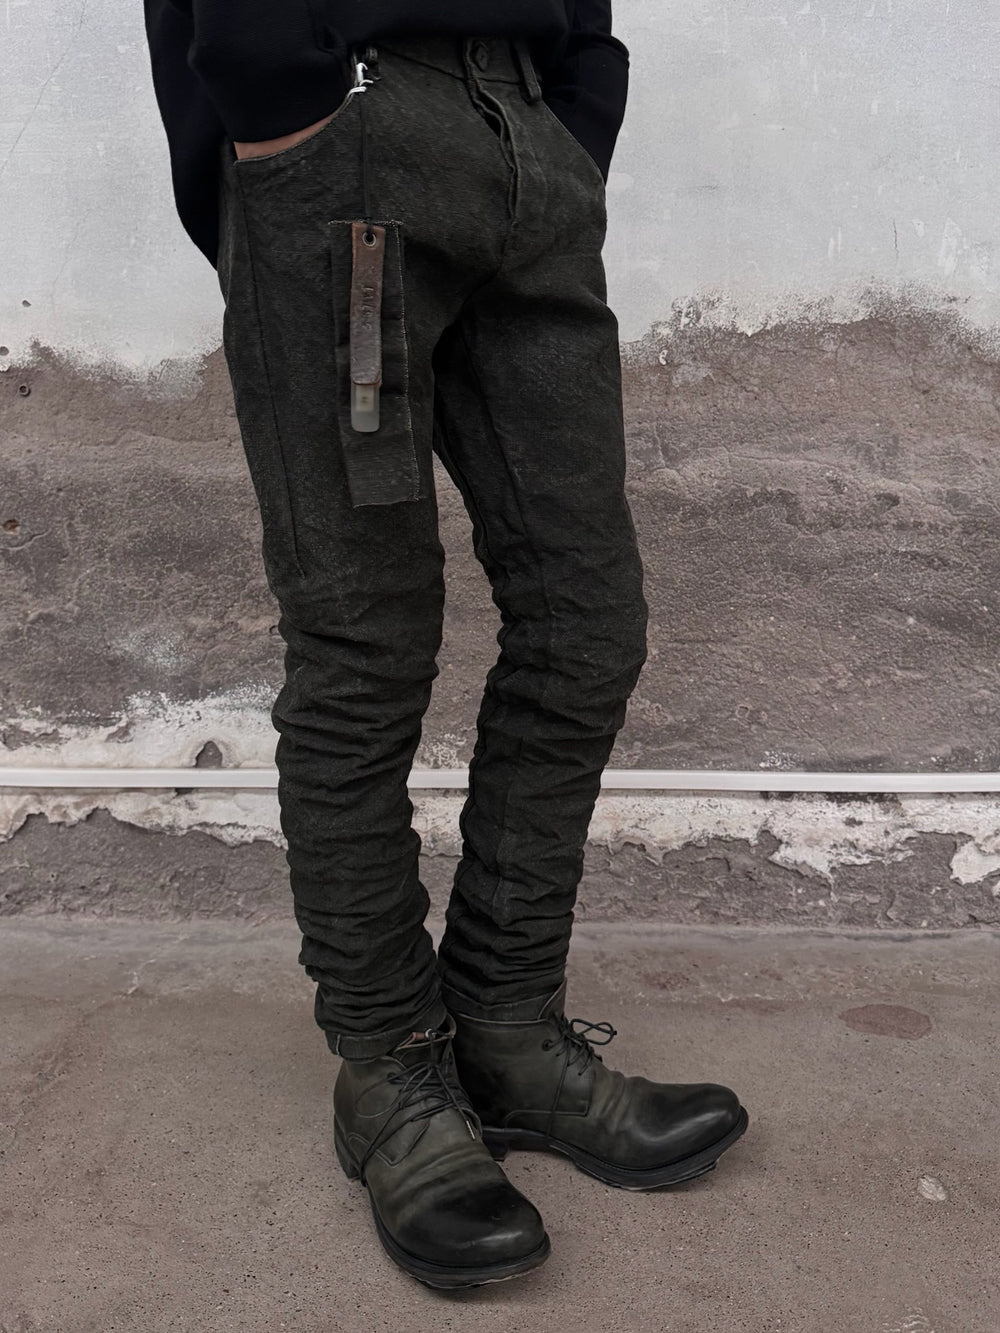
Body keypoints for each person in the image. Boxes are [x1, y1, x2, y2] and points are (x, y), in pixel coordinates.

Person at [142, 0, 749, 1289]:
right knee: (364, 647)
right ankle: (391, 1073)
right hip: (346, 133)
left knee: (587, 620)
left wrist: (576, 99)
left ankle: (507, 1029)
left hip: (529, 130)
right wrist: (278, 87)